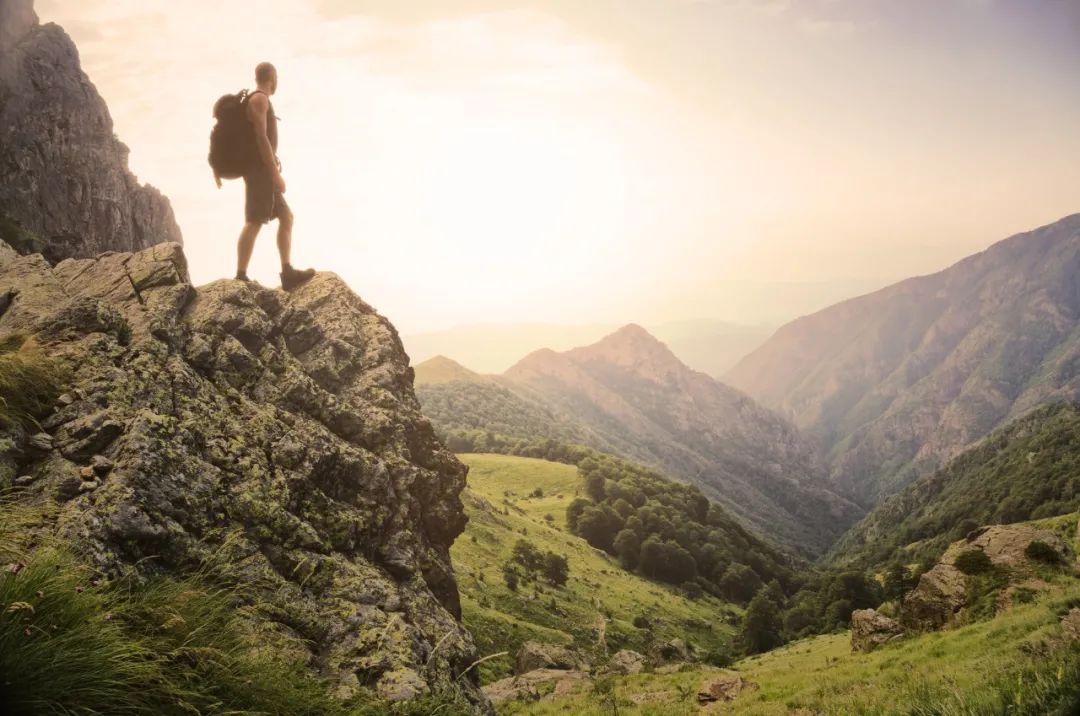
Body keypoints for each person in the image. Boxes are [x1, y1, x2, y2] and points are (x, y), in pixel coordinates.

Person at [215, 62, 315, 290]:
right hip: (260, 172)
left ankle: (287, 271)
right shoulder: (259, 99)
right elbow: (261, 138)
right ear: (272, 77)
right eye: (276, 77)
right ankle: (240, 276)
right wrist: (274, 174)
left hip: (263, 171)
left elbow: (262, 139)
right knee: (254, 221)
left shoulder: (259, 100)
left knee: (286, 217)